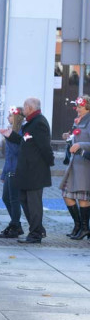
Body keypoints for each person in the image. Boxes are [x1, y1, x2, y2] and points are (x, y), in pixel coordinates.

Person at [0, 97, 53, 244]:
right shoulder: (30, 123)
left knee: (33, 203)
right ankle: (37, 229)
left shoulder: (39, 123)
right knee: (24, 199)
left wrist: (50, 161)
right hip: (26, 170)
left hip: (35, 170)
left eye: (25, 106)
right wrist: (11, 136)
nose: (23, 109)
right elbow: (24, 141)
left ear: (30, 108)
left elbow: (44, 147)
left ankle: (36, 234)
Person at [60, 95, 90, 239]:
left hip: (85, 164)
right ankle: (78, 225)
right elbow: (75, 137)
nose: (77, 109)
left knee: (83, 196)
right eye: (77, 106)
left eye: (80, 106)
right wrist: (68, 136)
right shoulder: (77, 121)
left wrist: (80, 145)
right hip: (74, 162)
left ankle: (84, 228)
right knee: (67, 194)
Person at [0, 107, 25, 239]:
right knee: (6, 198)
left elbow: (17, 152)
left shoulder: (20, 131)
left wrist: (9, 137)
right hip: (9, 169)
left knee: (14, 199)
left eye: (10, 116)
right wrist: (3, 174)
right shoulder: (12, 130)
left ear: (17, 118)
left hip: (17, 170)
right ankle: (16, 224)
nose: (8, 118)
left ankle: (15, 226)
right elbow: (8, 156)